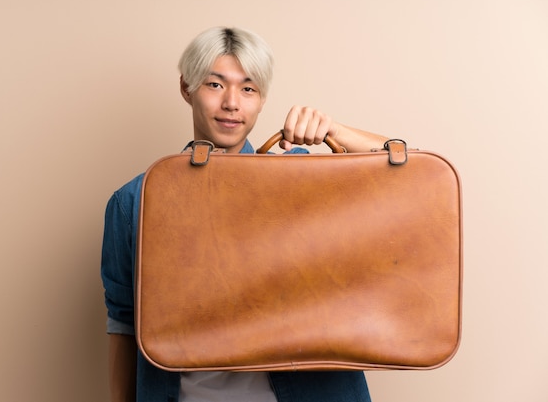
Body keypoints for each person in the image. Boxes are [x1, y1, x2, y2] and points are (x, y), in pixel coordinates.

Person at [101, 26, 389, 402]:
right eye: (215, 85)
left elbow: (412, 181)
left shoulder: (302, 181)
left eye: (248, 88)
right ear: (186, 88)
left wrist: (335, 132)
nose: (232, 103)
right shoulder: (135, 201)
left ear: (262, 98)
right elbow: (123, 323)